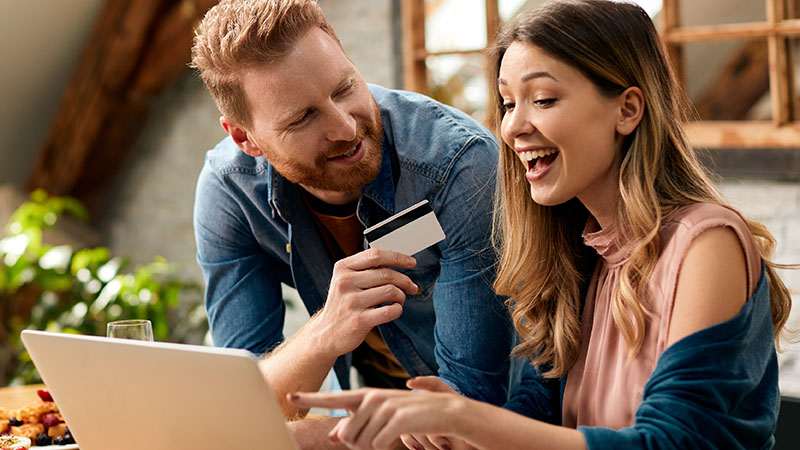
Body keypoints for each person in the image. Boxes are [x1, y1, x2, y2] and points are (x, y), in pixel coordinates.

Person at [290, 1, 796, 449]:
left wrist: (470, 420)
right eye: (508, 104)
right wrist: (459, 431)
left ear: (627, 109)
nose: (513, 127)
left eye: (544, 100)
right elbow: (538, 411)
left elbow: (675, 440)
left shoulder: (705, 244)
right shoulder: (579, 254)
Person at [190, 0, 516, 447]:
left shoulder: (457, 165)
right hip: (382, 417)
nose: (345, 128)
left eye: (344, 88)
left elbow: (471, 406)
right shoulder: (230, 192)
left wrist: (314, 437)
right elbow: (241, 405)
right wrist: (324, 332)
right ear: (245, 138)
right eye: (303, 117)